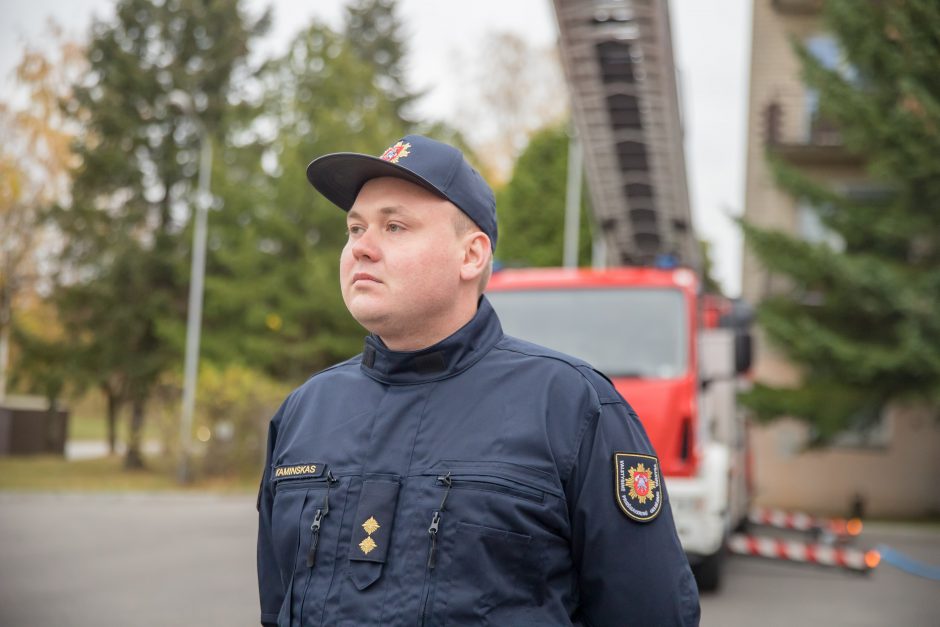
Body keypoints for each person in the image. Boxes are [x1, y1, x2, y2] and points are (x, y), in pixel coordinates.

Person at [256, 134, 700, 626]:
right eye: (355, 228)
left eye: (395, 226)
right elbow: (277, 604)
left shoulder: (573, 407)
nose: (361, 247)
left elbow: (650, 613)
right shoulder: (305, 411)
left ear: (471, 256)